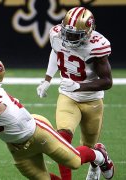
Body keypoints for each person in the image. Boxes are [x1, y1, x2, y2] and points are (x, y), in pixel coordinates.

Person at [36, 7, 113, 180]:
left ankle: (98, 159)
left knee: (88, 147)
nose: (68, 38)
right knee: (62, 142)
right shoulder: (56, 34)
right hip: (67, 96)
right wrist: (47, 79)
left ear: (88, 32)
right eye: (67, 32)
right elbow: (56, 52)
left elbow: (107, 81)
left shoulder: (97, 46)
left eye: (74, 35)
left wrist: (78, 86)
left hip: (92, 100)